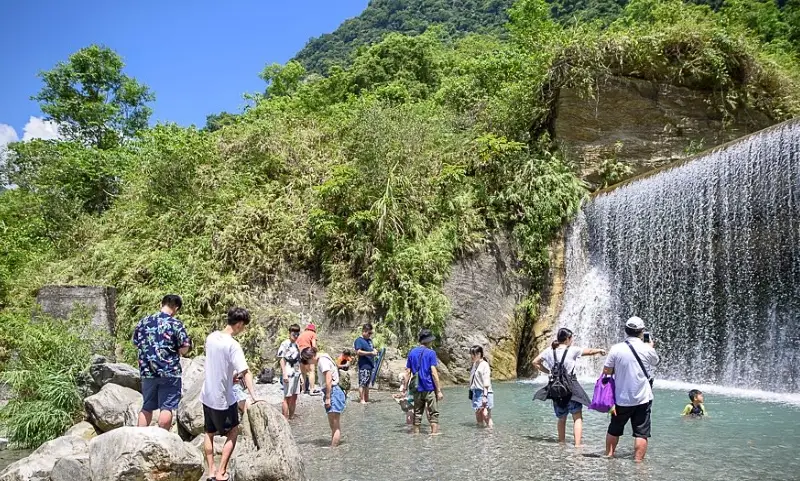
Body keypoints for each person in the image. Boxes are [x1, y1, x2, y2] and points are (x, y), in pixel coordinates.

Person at [199, 307, 259, 481]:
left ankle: (210, 471)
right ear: (239, 324)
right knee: (233, 431)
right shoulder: (233, 345)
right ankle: (221, 472)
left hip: (206, 395)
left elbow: (217, 364)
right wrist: (253, 396)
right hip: (222, 399)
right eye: (244, 326)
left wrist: (230, 377)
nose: (244, 329)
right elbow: (245, 372)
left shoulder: (211, 337)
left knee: (209, 432)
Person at [532, 328, 606, 446]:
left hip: (556, 388)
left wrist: (548, 371)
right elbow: (590, 351)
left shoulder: (549, 351)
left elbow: (535, 362)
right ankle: (577, 445)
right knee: (577, 417)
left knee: (561, 418)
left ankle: (561, 443)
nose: (572, 340)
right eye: (571, 338)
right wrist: (600, 350)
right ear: (567, 339)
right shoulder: (573, 350)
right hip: (571, 388)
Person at [602, 316, 660, 462]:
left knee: (614, 427)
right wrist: (650, 347)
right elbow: (655, 362)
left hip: (621, 398)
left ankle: (609, 456)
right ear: (642, 331)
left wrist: (620, 370)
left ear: (626, 331)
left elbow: (607, 371)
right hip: (643, 398)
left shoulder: (616, 349)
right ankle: (638, 462)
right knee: (641, 433)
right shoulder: (647, 349)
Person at [132, 294, 191, 430]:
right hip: (169, 372)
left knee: (147, 406)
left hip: (148, 371)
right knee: (167, 407)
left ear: (161, 304)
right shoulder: (176, 324)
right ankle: (162, 438)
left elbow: (136, 343)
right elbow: (184, 348)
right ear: (176, 308)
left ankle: (140, 436)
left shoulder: (143, 322)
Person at [300, 346, 346, 447]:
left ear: (311, 357)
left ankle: (334, 450)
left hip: (333, 392)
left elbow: (328, 378)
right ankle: (334, 447)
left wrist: (328, 397)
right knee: (332, 424)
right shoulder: (323, 358)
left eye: (307, 360)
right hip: (331, 391)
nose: (308, 363)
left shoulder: (322, 361)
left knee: (335, 425)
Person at [402, 329, 444, 435]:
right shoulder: (431, 353)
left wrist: (405, 387)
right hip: (429, 387)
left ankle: (416, 435)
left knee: (417, 412)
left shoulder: (412, 352)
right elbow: (434, 373)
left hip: (416, 387)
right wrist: (438, 390)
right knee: (433, 412)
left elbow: (407, 372)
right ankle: (434, 435)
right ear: (429, 341)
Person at [277, 323, 302, 419]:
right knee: (287, 396)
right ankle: (285, 419)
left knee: (295, 396)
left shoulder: (296, 345)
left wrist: (300, 376)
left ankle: (291, 417)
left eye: (297, 334)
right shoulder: (285, 344)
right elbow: (281, 359)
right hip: (288, 372)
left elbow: (297, 360)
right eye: (293, 334)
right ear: (289, 333)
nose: (295, 336)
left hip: (296, 373)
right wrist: (284, 374)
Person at [468, 346, 494, 428]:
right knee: (478, 417)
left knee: (486, 416)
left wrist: (485, 396)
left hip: (484, 392)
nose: (471, 356)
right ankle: (480, 437)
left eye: (473, 354)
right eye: (471, 354)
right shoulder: (475, 364)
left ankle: (490, 435)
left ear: (479, 354)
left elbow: (486, 382)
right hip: (476, 393)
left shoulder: (484, 365)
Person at [354, 323, 379, 404]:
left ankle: (366, 398)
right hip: (363, 365)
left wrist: (375, 351)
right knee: (362, 383)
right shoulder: (359, 340)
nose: (370, 335)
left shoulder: (369, 341)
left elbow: (372, 349)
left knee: (367, 384)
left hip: (370, 365)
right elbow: (358, 352)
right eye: (369, 333)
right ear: (364, 331)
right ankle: (362, 399)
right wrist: (370, 353)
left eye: (371, 333)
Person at [297, 323, 320, 395]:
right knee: (311, 372)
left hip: (300, 354)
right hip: (308, 353)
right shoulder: (312, 334)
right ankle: (312, 390)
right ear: (313, 329)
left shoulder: (301, 335)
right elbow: (313, 346)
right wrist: (315, 354)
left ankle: (303, 390)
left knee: (303, 373)